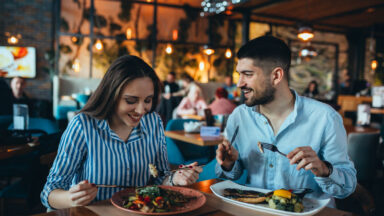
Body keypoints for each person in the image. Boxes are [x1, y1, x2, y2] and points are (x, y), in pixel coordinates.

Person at [41, 55, 202, 210]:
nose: (141, 110)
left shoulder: (153, 122)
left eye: (147, 100)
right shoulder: (83, 126)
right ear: (111, 95)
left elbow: (159, 177)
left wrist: (175, 178)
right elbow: (49, 192)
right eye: (131, 100)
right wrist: (71, 198)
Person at [215, 36, 356, 206]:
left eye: (248, 74)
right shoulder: (239, 117)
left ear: (276, 75)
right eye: (239, 74)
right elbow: (225, 176)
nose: (239, 83)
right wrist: (229, 165)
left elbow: (347, 188)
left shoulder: (325, 118)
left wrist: (323, 169)